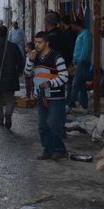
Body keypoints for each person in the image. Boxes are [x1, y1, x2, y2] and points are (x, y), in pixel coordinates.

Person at [25, 32, 69, 160]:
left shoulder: (57, 58)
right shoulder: (35, 58)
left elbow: (64, 76)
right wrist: (30, 61)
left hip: (55, 96)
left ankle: (60, 150)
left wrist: (50, 83)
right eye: (36, 42)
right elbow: (27, 73)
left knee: (54, 124)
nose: (37, 45)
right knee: (42, 125)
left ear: (46, 43)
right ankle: (48, 149)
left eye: (40, 42)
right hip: (41, 96)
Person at [68, 17, 92, 112]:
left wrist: (80, 62)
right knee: (81, 85)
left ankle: (70, 104)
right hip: (79, 62)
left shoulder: (86, 34)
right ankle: (84, 105)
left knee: (75, 84)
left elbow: (85, 50)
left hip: (82, 62)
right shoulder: (81, 34)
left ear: (75, 25)